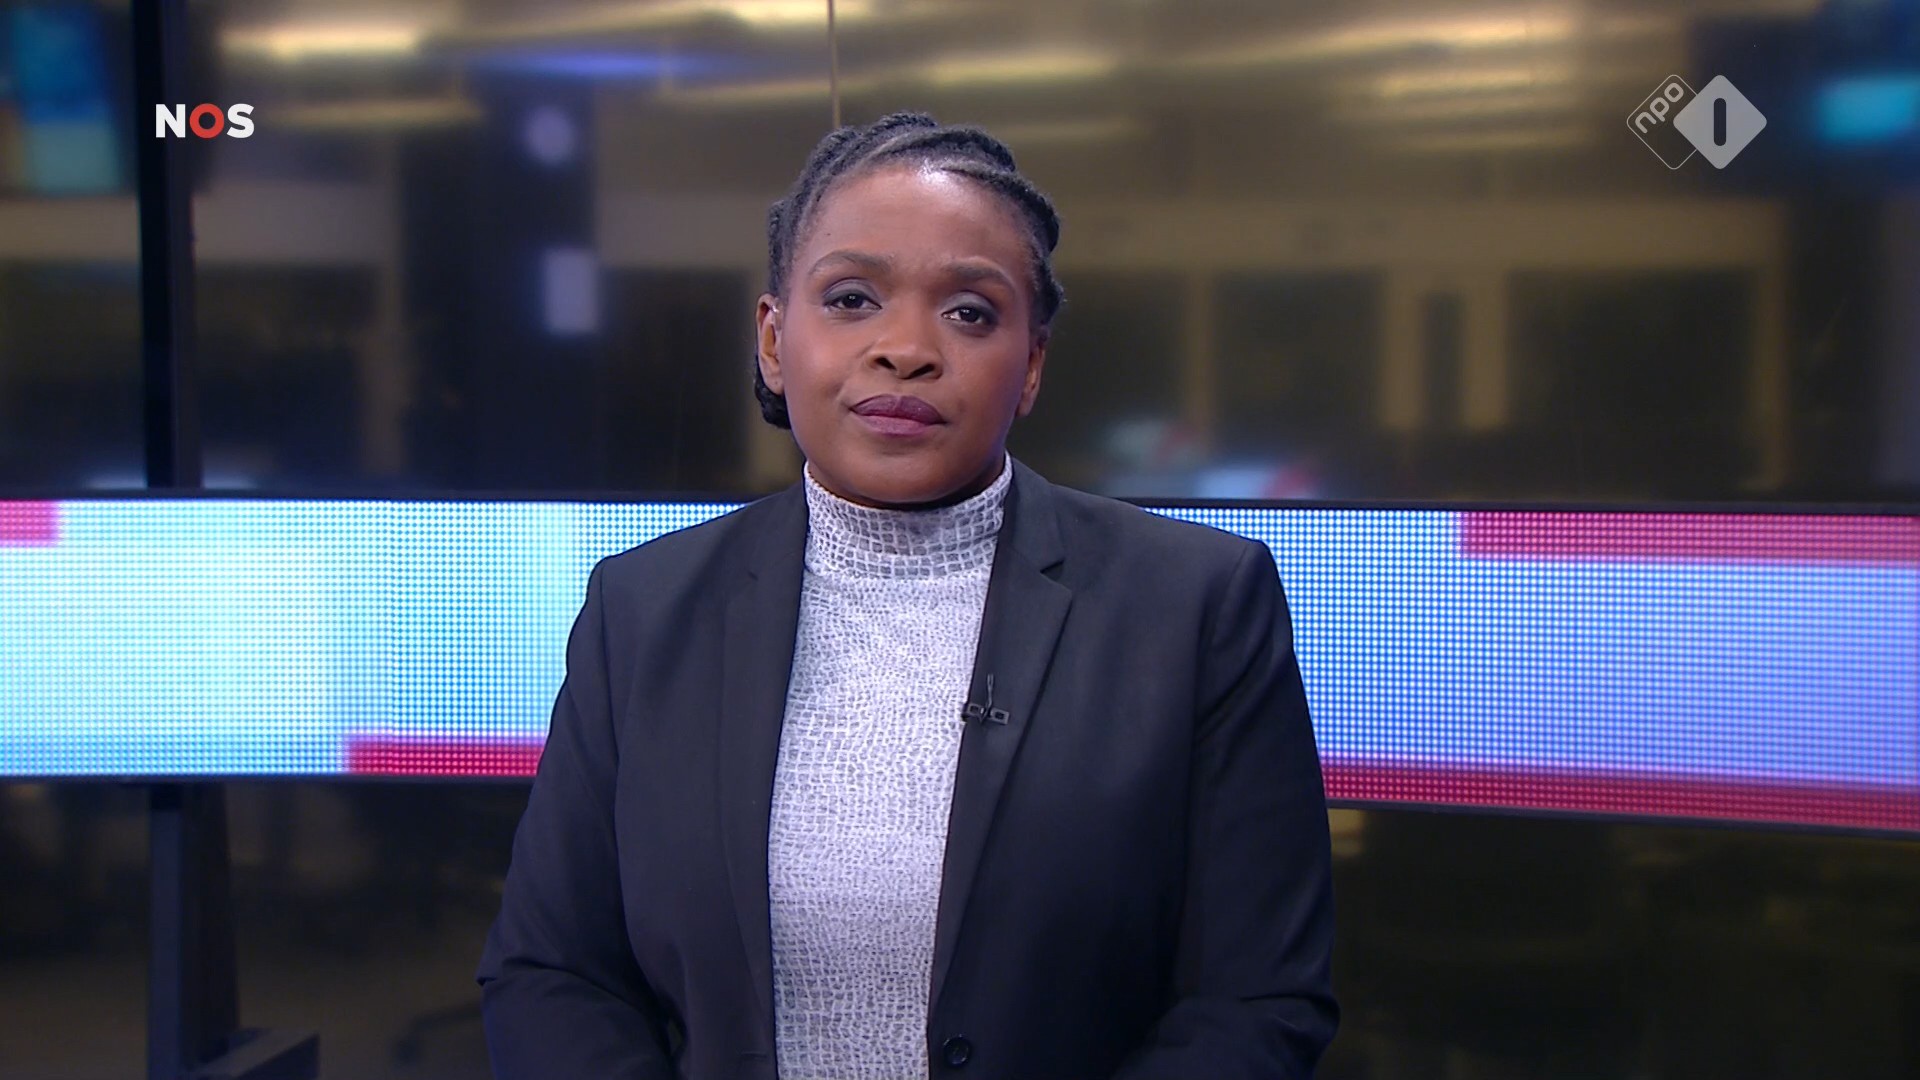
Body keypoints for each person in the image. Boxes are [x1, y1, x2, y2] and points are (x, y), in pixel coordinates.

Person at [476, 111, 1337, 1080]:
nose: (906, 349)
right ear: (773, 340)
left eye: (969, 312)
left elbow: (1257, 999)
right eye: (851, 298)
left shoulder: (1198, 607)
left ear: (1032, 365)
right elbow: (552, 972)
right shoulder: (642, 610)